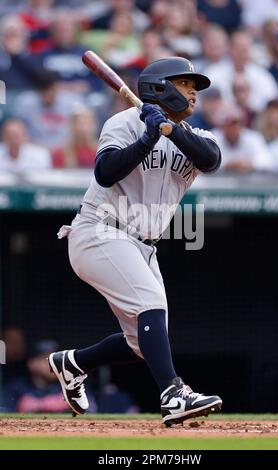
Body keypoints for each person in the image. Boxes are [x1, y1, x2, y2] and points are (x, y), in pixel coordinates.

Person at [48, 56, 222, 427]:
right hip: (100, 229)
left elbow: (211, 160)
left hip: (142, 245)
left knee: (145, 343)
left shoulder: (195, 135)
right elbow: (105, 172)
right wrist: (146, 138)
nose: (193, 92)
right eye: (184, 83)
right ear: (160, 86)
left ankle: (74, 362)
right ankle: (173, 393)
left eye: (195, 87)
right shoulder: (124, 123)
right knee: (150, 304)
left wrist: (170, 131)